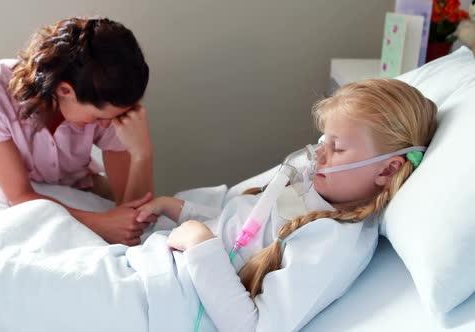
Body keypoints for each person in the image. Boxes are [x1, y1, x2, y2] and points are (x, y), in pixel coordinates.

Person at [132, 78, 438, 331]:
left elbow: (255, 327)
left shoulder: (333, 240)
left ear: (386, 170)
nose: (318, 155)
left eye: (338, 147)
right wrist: (181, 210)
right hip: (146, 270)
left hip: (156, 303)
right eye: (322, 140)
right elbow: (246, 236)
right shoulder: (311, 198)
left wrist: (199, 241)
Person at [0, 17, 154, 245]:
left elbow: (133, 215)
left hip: (79, 186)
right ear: (65, 90)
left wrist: (142, 152)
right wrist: (100, 224)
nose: (108, 125)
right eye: (99, 117)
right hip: (9, 197)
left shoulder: (109, 104)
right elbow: (20, 196)